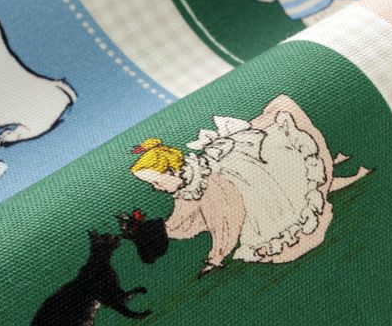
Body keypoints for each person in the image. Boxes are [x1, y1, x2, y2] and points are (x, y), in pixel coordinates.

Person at [128, 95, 368, 275]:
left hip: (251, 186)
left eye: (157, 181)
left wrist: (216, 257)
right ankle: (339, 167)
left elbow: (226, 221)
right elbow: (186, 219)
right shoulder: (189, 187)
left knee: (290, 192)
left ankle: (340, 168)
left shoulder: (207, 185)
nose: (156, 188)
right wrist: (158, 229)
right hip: (243, 173)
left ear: (171, 170)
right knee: (292, 179)